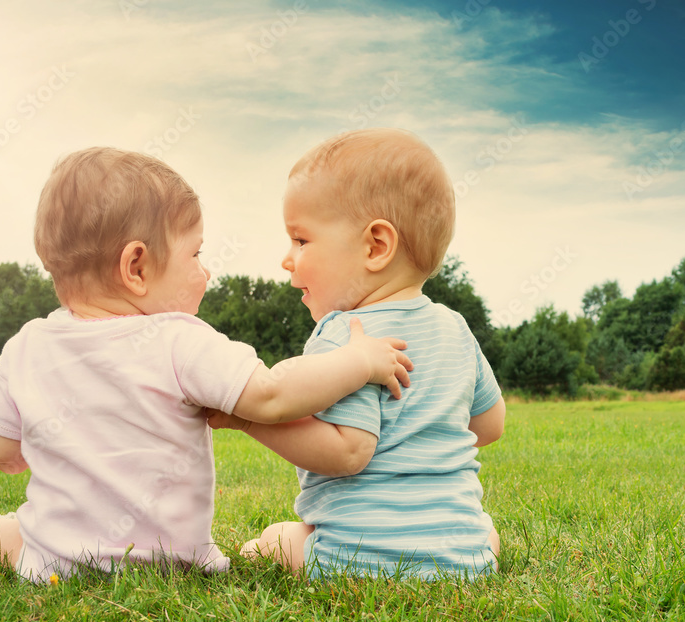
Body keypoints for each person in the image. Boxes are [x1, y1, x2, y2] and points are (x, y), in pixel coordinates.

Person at [0, 147, 412, 584]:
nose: (206, 273)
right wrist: (356, 361)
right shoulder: (180, 339)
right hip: (173, 566)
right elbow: (272, 394)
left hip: (57, 563)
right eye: (195, 255)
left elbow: (2, 453)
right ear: (135, 267)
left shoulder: (25, 347)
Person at [210, 128, 506, 580]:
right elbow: (490, 425)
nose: (287, 260)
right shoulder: (456, 328)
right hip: (463, 561)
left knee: (274, 538)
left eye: (301, 240)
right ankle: (456, 552)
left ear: (375, 246)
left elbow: (347, 453)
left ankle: (265, 548)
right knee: (486, 532)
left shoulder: (345, 334)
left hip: (351, 560)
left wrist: (250, 419)